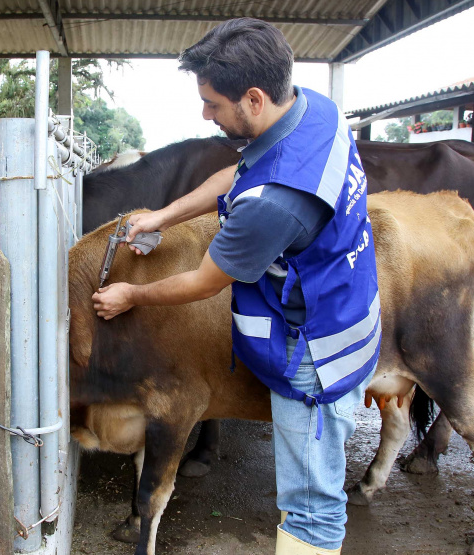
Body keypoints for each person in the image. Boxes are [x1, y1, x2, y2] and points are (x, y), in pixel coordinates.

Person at [92, 18, 379, 555]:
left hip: (316, 355)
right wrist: (165, 216)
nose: (205, 114)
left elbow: (205, 283)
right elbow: (242, 172)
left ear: (252, 98)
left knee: (312, 507)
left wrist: (131, 296)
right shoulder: (314, 110)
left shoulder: (273, 204)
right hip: (347, 302)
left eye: (212, 104)